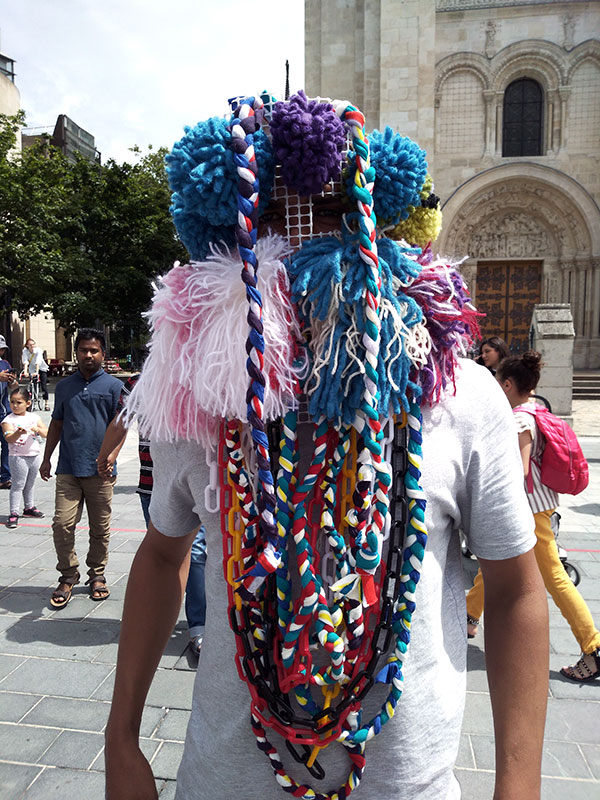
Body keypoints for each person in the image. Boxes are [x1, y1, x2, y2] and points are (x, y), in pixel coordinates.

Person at [105, 93, 548, 800]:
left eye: (339, 214)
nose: (306, 243)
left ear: (379, 223)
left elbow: (520, 586)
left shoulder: (459, 395)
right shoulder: (204, 396)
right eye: (273, 218)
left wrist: (518, 782)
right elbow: (161, 555)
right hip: (223, 781)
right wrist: (119, 739)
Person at [467, 350, 600, 682]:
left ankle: (593, 646)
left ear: (508, 384)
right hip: (541, 508)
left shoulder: (519, 420)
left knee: (555, 579)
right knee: (492, 564)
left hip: (530, 512)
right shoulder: (535, 410)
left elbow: (519, 469)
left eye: (498, 382)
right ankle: (469, 615)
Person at [98, 374, 207, 655]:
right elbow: (122, 420)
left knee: (195, 554)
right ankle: (163, 621)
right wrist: (105, 454)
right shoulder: (139, 383)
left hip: (197, 482)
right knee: (165, 556)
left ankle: (199, 626)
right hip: (153, 483)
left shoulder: (201, 373)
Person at [40, 328, 122, 608]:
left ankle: (97, 575)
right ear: (76, 353)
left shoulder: (113, 386)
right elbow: (57, 424)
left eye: (94, 350)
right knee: (62, 524)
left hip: (100, 470)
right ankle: (68, 574)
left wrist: (113, 455)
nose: (88, 355)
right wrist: (46, 457)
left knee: (100, 529)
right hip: (68, 468)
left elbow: (121, 425)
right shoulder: (64, 386)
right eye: (84, 350)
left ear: (102, 354)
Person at [1, 386, 47, 527]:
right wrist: (18, 433)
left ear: (28, 403)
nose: (15, 405)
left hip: (33, 455)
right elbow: (9, 438)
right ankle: (14, 512)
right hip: (18, 456)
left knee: (30, 483)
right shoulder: (8, 420)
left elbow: (47, 433)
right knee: (18, 484)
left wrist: (38, 429)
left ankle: (29, 507)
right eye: (12, 402)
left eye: (19, 402)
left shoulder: (34, 417)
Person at [0, 334, 18, 489]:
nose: (1, 352)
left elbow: (13, 387)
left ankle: (5, 477)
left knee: (7, 443)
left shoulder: (5, 363)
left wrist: (13, 381)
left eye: (2, 349)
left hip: (3, 410)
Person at [21, 337, 50, 411]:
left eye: (33, 344)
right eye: (30, 345)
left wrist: (37, 372)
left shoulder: (38, 351)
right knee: (31, 385)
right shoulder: (25, 351)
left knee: (43, 385)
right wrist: (25, 372)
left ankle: (46, 403)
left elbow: (38, 362)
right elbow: (25, 362)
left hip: (41, 368)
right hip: (32, 368)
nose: (32, 346)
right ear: (27, 345)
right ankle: (30, 402)